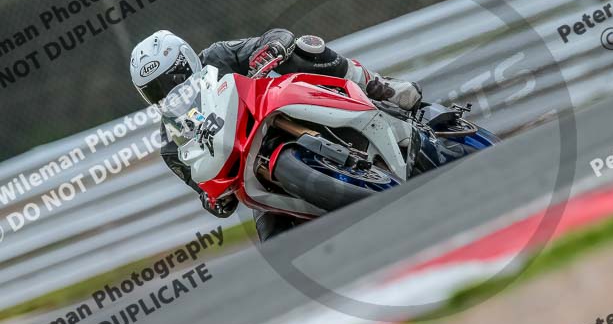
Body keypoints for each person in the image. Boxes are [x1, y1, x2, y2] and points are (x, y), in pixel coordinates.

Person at [129, 29, 422, 241]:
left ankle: (378, 85)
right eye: (155, 90)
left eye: (172, 79)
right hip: (253, 173)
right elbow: (207, 193)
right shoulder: (172, 143)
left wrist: (272, 48)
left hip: (280, 109)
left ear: (186, 60)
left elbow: (275, 37)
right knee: (272, 240)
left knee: (305, 48)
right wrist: (214, 200)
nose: (169, 92)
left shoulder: (217, 57)